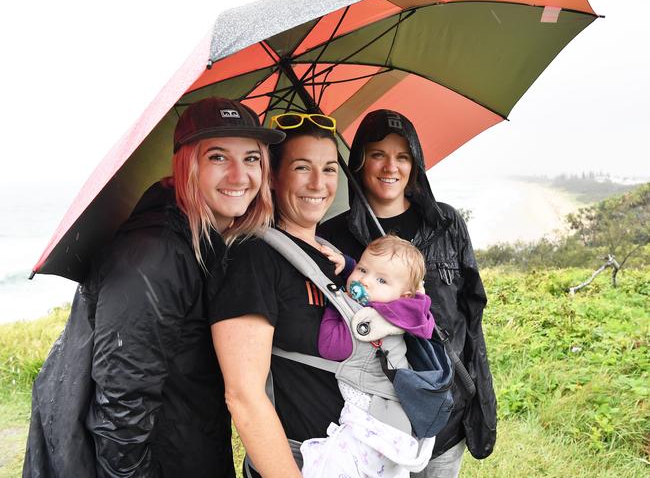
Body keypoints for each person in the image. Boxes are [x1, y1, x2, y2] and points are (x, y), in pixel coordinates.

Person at [23, 97, 285, 478]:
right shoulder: (152, 255)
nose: (239, 175)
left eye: (251, 158)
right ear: (186, 164)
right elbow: (121, 409)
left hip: (187, 447)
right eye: (217, 157)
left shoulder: (200, 240)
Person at [318, 109, 497, 478]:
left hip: (443, 414)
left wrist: (479, 396)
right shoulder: (333, 237)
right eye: (379, 154)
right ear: (360, 162)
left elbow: (472, 316)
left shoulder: (447, 225)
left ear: (415, 165)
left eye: (402, 156)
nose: (390, 167)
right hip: (371, 430)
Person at [210, 112, 343, 478]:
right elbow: (244, 397)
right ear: (272, 175)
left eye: (329, 169)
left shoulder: (330, 255)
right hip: (303, 464)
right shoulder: (253, 258)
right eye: (303, 168)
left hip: (352, 457)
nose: (319, 183)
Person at [300, 234, 436, 478]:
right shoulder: (408, 308)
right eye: (363, 269)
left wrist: (337, 303)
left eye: (381, 280)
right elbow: (373, 276)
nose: (365, 281)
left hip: (373, 411)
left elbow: (330, 346)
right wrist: (349, 265)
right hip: (397, 407)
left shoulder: (370, 320)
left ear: (403, 294)